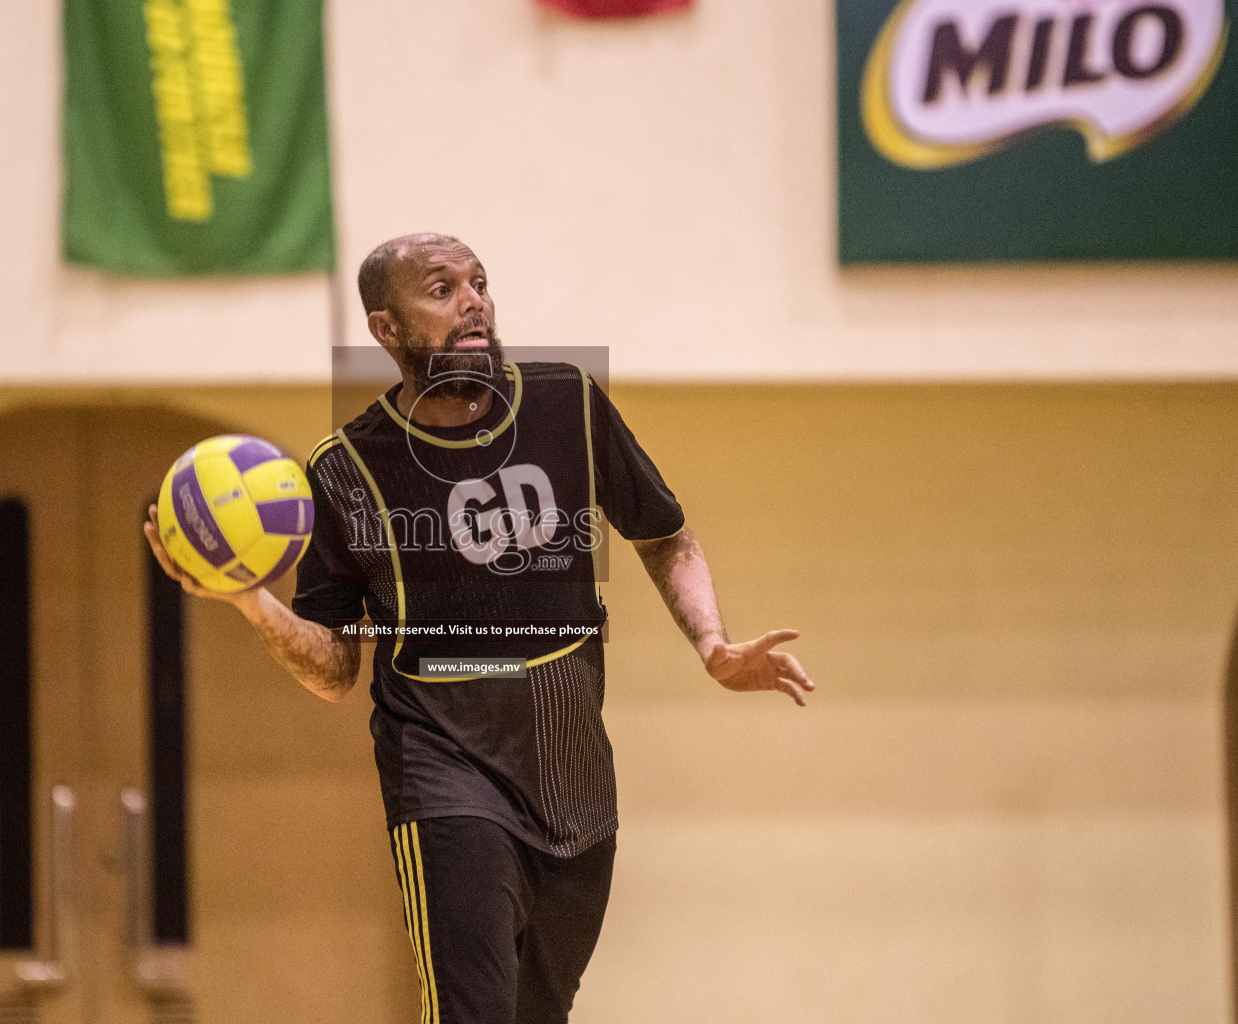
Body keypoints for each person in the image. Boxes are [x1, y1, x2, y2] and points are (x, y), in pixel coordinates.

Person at [145, 233, 814, 1024]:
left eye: (480, 283)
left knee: (541, 1012)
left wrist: (712, 644)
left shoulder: (568, 401)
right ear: (386, 329)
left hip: (573, 779)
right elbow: (334, 669)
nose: (474, 301)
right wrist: (253, 601)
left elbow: (661, 531)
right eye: (441, 288)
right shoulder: (345, 468)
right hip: (443, 767)